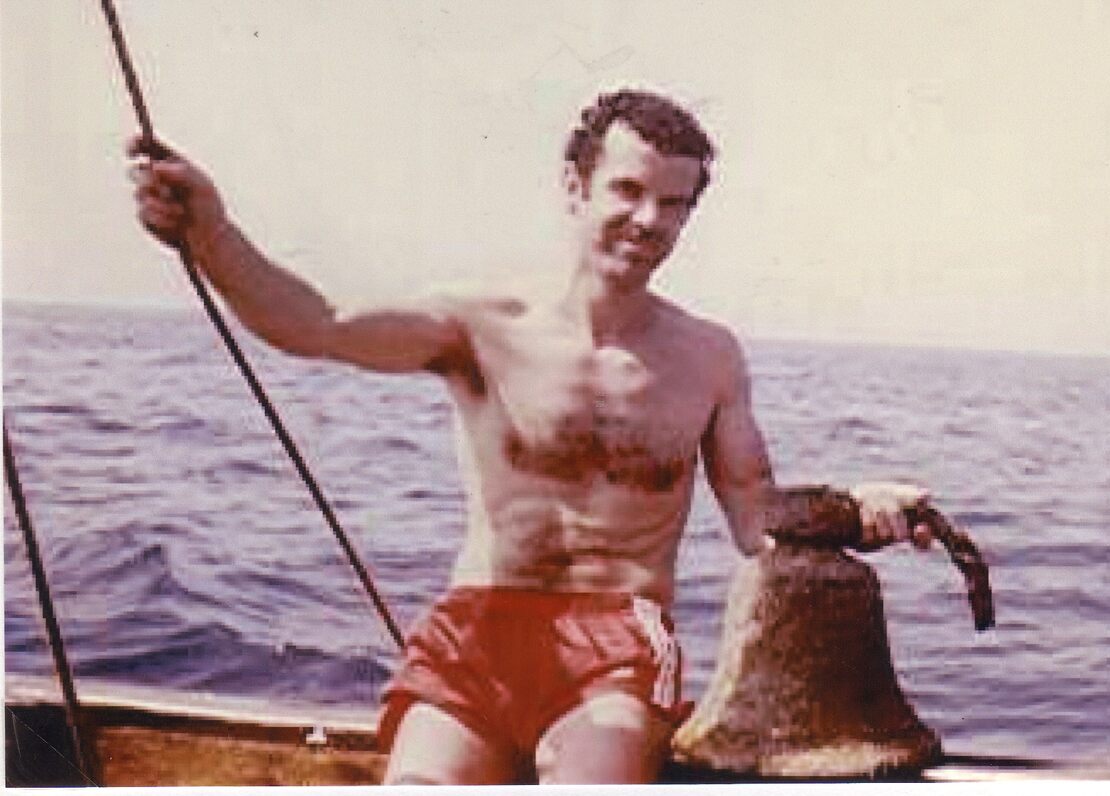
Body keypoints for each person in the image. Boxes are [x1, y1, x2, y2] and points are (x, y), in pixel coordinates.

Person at [128, 88, 935, 785]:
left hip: (618, 649)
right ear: (575, 187)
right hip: (475, 633)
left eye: (674, 204)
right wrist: (213, 235)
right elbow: (318, 324)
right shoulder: (481, 324)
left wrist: (855, 511)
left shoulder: (710, 357)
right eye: (628, 190)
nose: (649, 221)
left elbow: (756, 517)